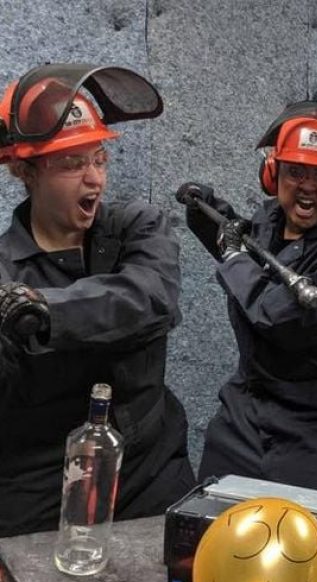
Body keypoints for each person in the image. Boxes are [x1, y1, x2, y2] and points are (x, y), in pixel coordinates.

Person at [0, 64, 195, 536]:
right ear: (26, 170)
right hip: (42, 487)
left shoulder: (137, 226)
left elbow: (150, 297)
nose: (95, 181)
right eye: (72, 164)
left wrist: (43, 311)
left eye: (99, 158)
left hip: (150, 472)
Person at [178, 101, 317, 491]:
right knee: (210, 517)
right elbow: (241, 244)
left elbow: (280, 319)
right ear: (273, 174)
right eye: (295, 171)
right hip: (247, 410)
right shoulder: (270, 221)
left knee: (299, 538)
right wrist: (204, 211)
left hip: (314, 426)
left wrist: (235, 257)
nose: (307, 186)